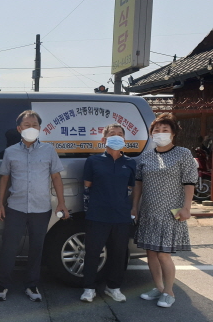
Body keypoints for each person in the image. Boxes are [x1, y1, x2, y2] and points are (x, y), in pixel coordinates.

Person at [0, 110, 69, 302]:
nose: (31, 128)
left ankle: (31, 285)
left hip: (41, 208)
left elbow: (56, 177)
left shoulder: (48, 150)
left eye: (35, 125)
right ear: (19, 129)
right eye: (27, 125)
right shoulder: (11, 152)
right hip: (15, 207)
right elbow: (4, 179)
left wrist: (61, 203)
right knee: (9, 248)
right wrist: (0, 204)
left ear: (40, 128)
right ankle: (2, 284)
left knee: (36, 248)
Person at [132, 113, 198, 308]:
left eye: (165, 130)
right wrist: (134, 206)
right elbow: (138, 184)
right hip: (149, 211)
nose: (160, 133)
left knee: (163, 254)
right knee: (151, 253)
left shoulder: (183, 154)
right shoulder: (146, 156)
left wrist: (187, 208)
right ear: (151, 133)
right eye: (156, 130)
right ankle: (159, 287)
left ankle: (169, 292)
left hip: (170, 212)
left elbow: (189, 182)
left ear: (173, 133)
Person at [80, 123, 136, 303]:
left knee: (119, 254)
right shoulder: (93, 161)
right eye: (112, 134)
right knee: (92, 252)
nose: (116, 136)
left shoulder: (130, 163)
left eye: (120, 134)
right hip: (97, 215)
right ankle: (89, 288)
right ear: (104, 139)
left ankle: (113, 287)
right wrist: (90, 210)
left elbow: (130, 188)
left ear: (124, 139)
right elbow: (87, 187)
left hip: (121, 216)